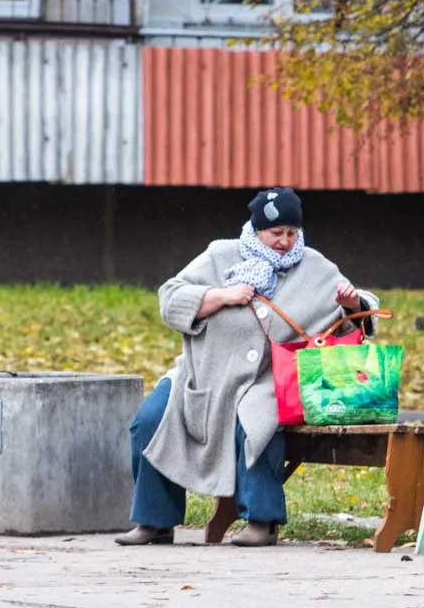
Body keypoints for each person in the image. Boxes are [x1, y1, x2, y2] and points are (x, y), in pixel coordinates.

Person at [117, 187, 379, 548]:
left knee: (258, 421)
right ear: (256, 230)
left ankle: (262, 520)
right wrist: (223, 296)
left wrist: (353, 303)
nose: (285, 242)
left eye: (292, 233)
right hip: (202, 373)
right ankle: (155, 521)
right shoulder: (219, 255)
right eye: (276, 234)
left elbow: (363, 312)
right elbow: (171, 298)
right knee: (150, 420)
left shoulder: (316, 267)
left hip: (270, 379)